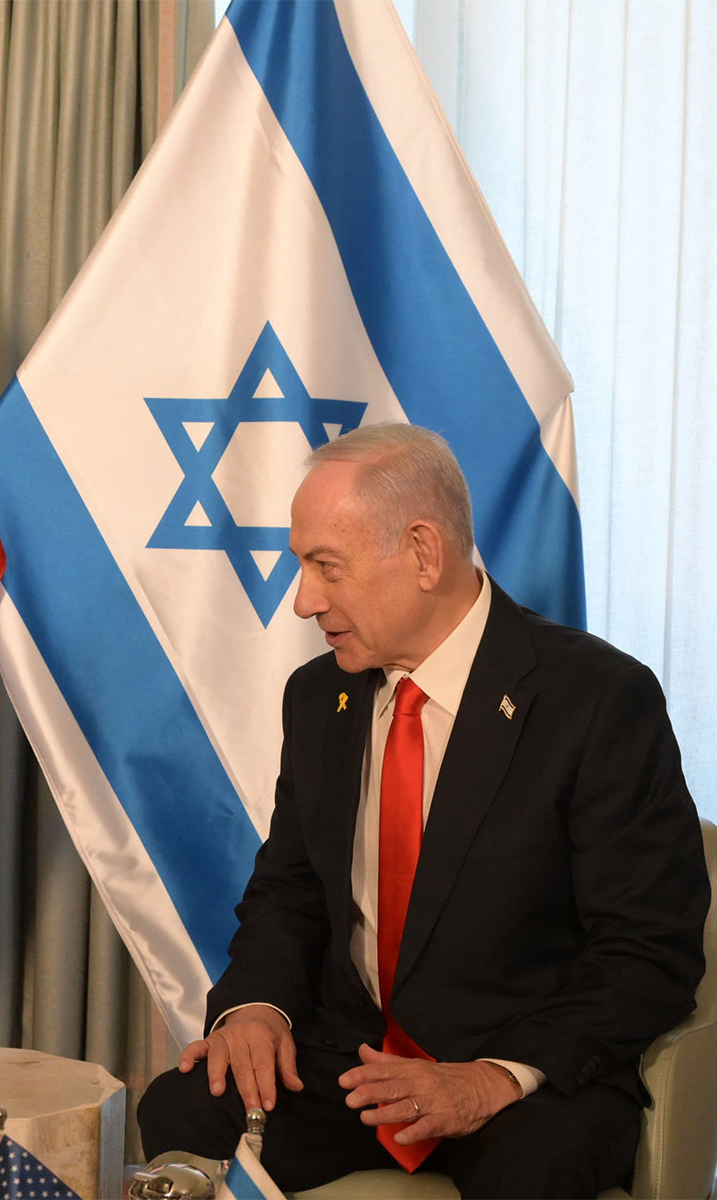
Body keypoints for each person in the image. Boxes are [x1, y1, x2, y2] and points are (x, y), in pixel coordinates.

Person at [137, 423, 709, 1197]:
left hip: (517, 1078)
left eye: (324, 568)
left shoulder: (598, 701)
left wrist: (492, 1079)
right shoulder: (319, 699)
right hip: (354, 1065)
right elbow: (289, 893)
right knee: (181, 1106)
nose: (303, 601)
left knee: (532, 1169)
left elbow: (649, 949)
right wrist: (256, 1007)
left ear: (423, 553)